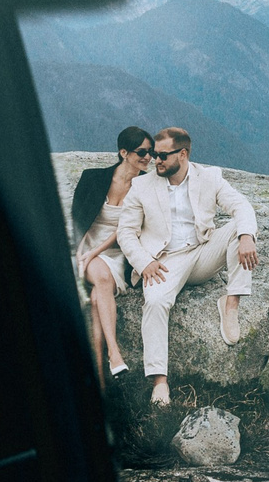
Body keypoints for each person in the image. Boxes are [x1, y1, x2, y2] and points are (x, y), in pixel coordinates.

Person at [117, 127, 258, 407]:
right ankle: (159, 382)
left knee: (243, 230)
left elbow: (241, 206)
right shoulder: (142, 186)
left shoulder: (209, 177)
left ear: (183, 154)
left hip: (203, 251)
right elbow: (125, 232)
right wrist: (144, 262)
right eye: (154, 155)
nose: (155, 160)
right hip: (165, 261)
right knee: (155, 302)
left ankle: (230, 304)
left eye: (162, 155)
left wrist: (245, 236)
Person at [69, 126, 153, 385]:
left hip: (118, 252)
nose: (148, 158)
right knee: (102, 282)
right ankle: (114, 355)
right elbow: (78, 218)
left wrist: (93, 253)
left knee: (98, 297)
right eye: (142, 152)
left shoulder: (145, 188)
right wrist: (81, 252)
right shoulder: (93, 178)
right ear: (123, 152)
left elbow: (123, 231)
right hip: (88, 247)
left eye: (150, 152)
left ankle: (101, 378)